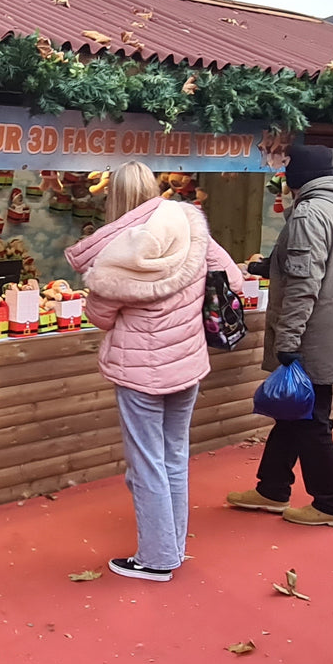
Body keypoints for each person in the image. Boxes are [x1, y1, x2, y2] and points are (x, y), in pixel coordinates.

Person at [66, 162, 244, 581]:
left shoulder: (115, 254)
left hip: (139, 371)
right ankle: (172, 547)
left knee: (146, 463)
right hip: (187, 362)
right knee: (174, 456)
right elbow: (232, 278)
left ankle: (157, 559)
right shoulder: (190, 224)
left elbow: (100, 316)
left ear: (114, 198)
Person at [227, 144, 333, 528]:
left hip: (311, 334)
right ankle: (272, 488)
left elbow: (305, 283)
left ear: (297, 176)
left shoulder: (308, 213)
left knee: (309, 420)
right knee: (294, 413)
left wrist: (288, 339)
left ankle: (331, 502)